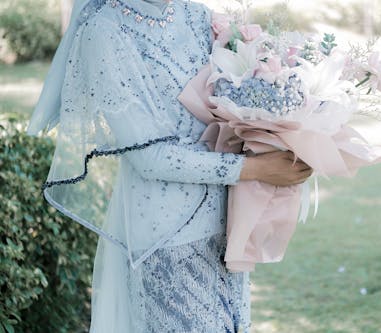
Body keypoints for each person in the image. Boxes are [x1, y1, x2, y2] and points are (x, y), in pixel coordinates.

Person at [26, 0, 312, 331]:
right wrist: (257, 170)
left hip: (226, 227)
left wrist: (280, 135)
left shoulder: (199, 16)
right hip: (167, 242)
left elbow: (234, 103)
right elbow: (149, 157)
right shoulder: (103, 32)